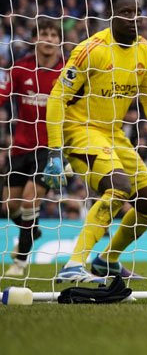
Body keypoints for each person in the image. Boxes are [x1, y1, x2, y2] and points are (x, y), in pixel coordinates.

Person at [43, 0, 147, 282]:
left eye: (136, 12)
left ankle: (107, 261)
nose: (133, 18)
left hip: (113, 134)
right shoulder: (91, 49)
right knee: (118, 186)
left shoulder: (146, 51)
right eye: (126, 12)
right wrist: (54, 151)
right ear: (111, 15)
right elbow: (56, 98)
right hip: (81, 130)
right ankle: (74, 265)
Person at [0, 19, 64, 277]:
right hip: (20, 148)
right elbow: (2, 97)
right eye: (43, 34)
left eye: (53, 35)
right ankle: (32, 229)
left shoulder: (66, 73)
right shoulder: (20, 69)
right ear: (35, 40)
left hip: (50, 148)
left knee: (29, 200)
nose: (48, 39)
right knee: (9, 207)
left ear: (59, 41)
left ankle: (21, 262)